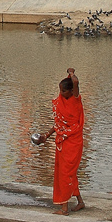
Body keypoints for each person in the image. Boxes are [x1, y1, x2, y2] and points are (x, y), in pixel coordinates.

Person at [36, 68, 84, 214]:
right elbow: (59, 124)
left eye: (63, 91)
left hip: (73, 142)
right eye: (60, 91)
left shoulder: (75, 101)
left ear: (71, 91)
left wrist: (71, 73)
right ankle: (80, 202)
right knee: (66, 173)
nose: (61, 94)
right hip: (62, 142)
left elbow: (75, 81)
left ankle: (64, 208)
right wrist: (46, 136)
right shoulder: (62, 101)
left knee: (66, 173)